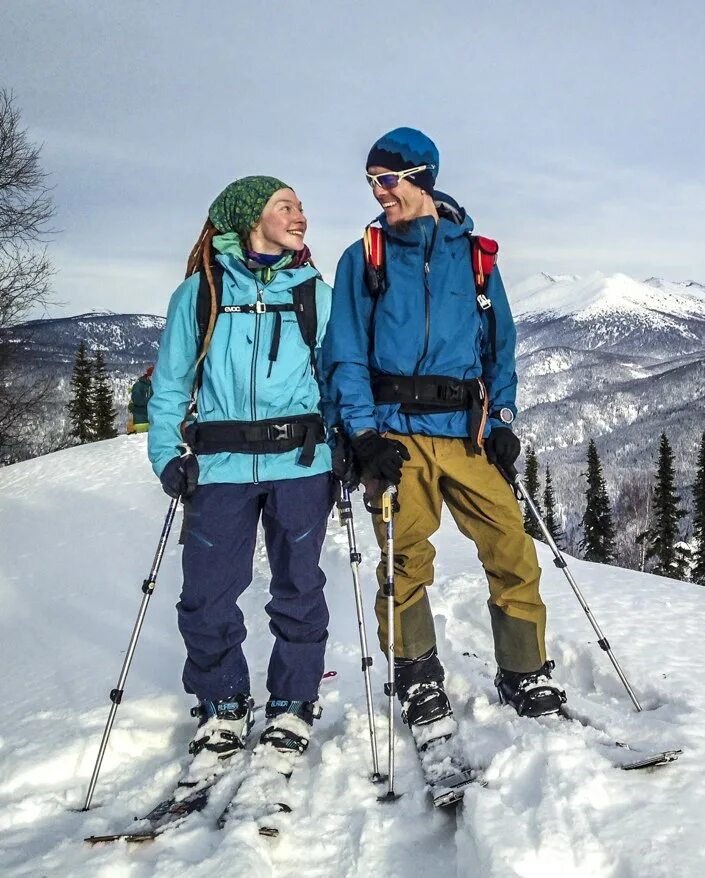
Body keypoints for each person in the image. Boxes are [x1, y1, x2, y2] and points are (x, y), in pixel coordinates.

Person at [323, 127, 566, 732]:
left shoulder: (476, 256)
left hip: (467, 434)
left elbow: (500, 348)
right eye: (371, 182)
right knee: (403, 559)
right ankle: (417, 676)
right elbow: (345, 352)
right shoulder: (364, 258)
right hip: (395, 434)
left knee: (511, 546)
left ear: (422, 178)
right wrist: (363, 436)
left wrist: (503, 419)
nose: (379, 193)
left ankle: (524, 669)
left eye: (387, 181)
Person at [147, 176, 335, 781]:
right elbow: (171, 383)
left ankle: (292, 701)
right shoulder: (199, 294)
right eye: (286, 205)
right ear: (250, 216)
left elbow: (337, 379)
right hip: (221, 468)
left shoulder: (314, 293)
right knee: (205, 593)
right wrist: (165, 454)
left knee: (299, 589)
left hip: (302, 466)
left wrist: (348, 447)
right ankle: (222, 700)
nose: (299, 215)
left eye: (301, 206)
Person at [127, 365, 153, 433]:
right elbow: (137, 399)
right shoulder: (139, 385)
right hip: (140, 420)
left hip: (151, 419)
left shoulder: (153, 386)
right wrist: (152, 401)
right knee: (140, 440)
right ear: (148, 376)